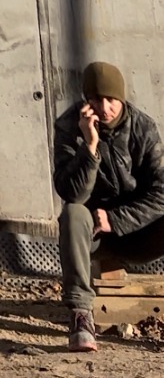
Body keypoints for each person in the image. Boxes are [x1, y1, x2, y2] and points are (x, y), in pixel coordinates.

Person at [54, 60, 164, 354]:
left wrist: (115, 219)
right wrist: (89, 146)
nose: (104, 108)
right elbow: (71, 193)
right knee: (73, 213)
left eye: (111, 100)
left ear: (122, 98)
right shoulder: (69, 127)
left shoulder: (143, 128)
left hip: (136, 231)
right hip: (93, 236)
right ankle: (80, 315)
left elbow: (161, 192)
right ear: (86, 100)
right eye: (96, 99)